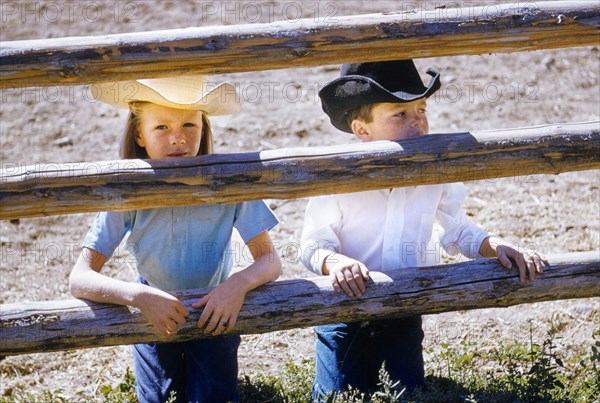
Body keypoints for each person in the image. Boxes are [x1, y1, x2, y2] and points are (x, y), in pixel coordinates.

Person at [300, 59, 548, 400]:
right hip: (344, 307)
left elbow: (457, 229)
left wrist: (494, 244)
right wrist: (335, 263)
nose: (417, 122)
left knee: (408, 394)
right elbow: (313, 245)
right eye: (400, 115)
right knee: (337, 396)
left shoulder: (434, 171)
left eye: (421, 110)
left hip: (404, 303)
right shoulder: (339, 176)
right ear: (362, 130)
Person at [69, 75, 282, 403]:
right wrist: (138, 296)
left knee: (215, 397)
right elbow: (79, 278)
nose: (178, 138)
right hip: (152, 305)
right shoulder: (128, 190)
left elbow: (270, 260)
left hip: (214, 304)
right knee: (159, 399)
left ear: (204, 126)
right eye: (161, 128)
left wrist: (236, 286)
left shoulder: (229, 181)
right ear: (139, 134)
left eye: (189, 124)